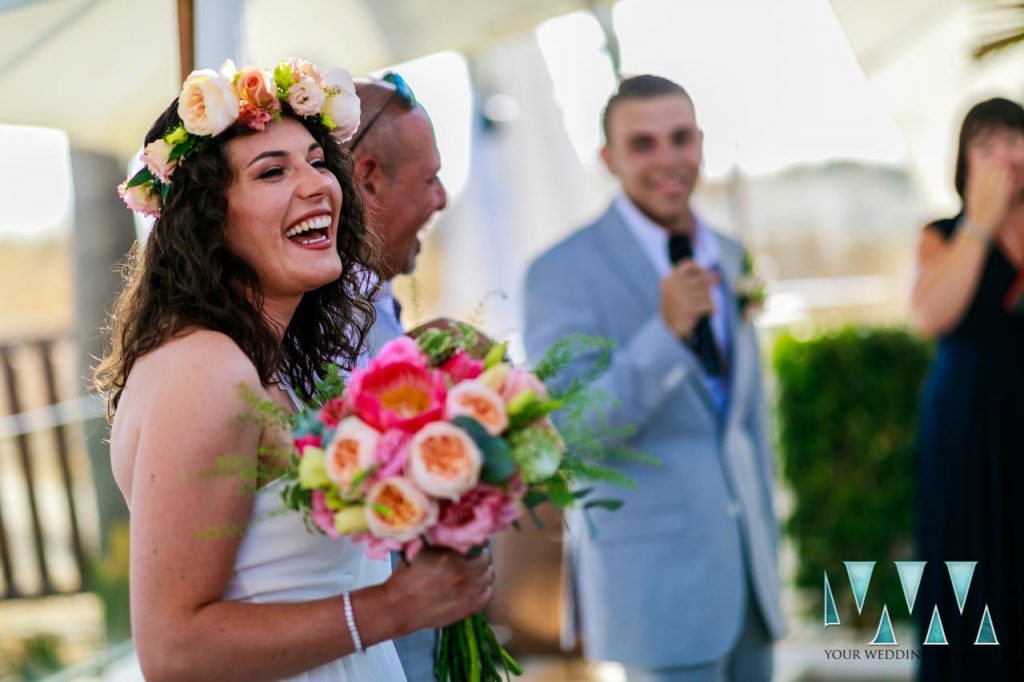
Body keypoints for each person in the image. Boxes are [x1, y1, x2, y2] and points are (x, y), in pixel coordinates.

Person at [95, 59, 492, 681]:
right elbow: (174, 650)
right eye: (273, 171)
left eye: (315, 160)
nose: (317, 185)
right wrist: (395, 607)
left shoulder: (275, 360)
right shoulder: (206, 370)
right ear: (208, 220)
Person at [524, 75, 784, 681]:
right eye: (643, 144)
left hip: (751, 578)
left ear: (700, 143)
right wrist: (664, 336)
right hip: (656, 589)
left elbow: (743, 421)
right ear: (609, 159)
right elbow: (570, 432)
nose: (668, 159)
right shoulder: (561, 272)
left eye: (680, 138)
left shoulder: (729, 251)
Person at [910, 97, 1024, 679]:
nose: (1003, 155)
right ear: (963, 164)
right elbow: (932, 314)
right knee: (967, 574)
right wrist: (981, 223)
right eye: (985, 145)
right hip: (968, 435)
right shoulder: (943, 234)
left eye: (1013, 138)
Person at [344, 73, 449, 681]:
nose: (441, 200)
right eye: (430, 178)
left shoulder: (378, 300)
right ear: (369, 178)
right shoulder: (325, 327)